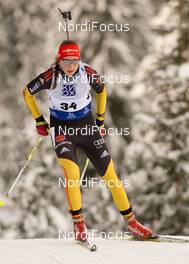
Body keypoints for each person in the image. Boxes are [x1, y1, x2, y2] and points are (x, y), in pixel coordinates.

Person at [23, 40, 153, 241]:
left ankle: (133, 224)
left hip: (87, 128)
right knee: (72, 173)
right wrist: (39, 120)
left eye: (74, 61)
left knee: (111, 176)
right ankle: (79, 226)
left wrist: (100, 119)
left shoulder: (87, 73)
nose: (71, 66)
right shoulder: (51, 76)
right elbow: (27, 92)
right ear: (59, 60)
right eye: (66, 62)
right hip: (62, 130)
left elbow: (101, 90)